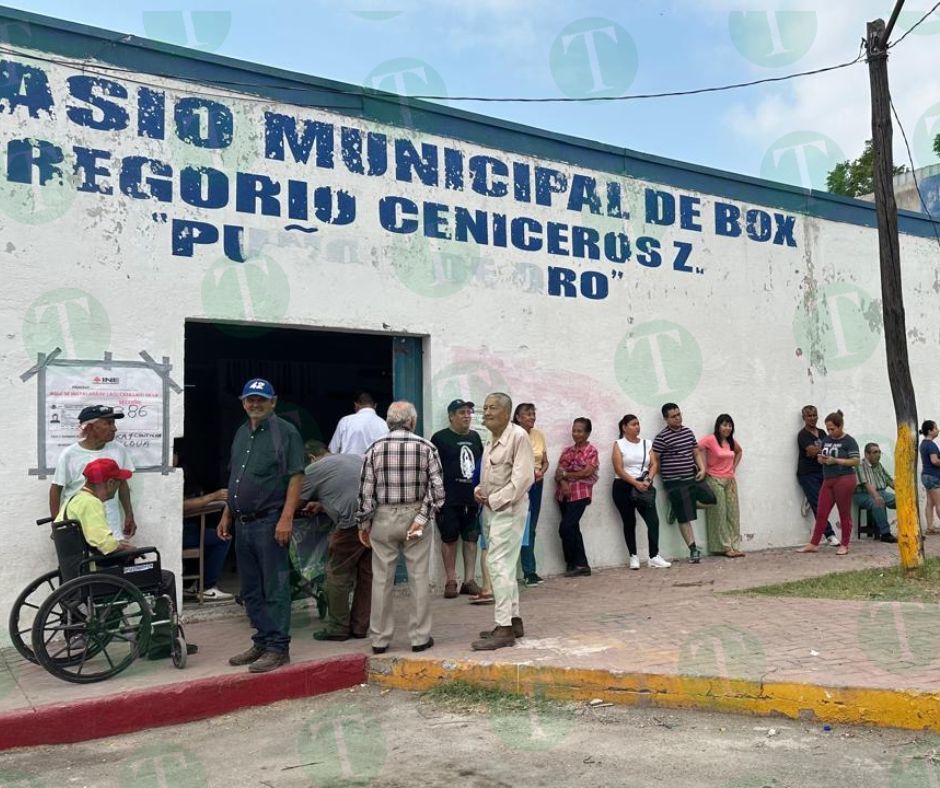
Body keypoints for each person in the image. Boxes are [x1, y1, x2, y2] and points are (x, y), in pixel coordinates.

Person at [55, 458, 190, 657]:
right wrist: (127, 548)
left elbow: (95, 541)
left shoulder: (73, 500)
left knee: (133, 561)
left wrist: (120, 546)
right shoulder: (91, 504)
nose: (118, 487)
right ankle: (161, 640)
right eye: (118, 483)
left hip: (80, 571)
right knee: (165, 577)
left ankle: (140, 635)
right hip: (98, 574)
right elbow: (105, 545)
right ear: (110, 483)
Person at [218, 378, 305, 673]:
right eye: (250, 400)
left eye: (261, 400)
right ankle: (262, 640)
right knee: (251, 588)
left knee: (275, 586)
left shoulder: (286, 432)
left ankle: (279, 648)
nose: (255, 404)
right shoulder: (242, 432)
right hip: (242, 523)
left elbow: (296, 476)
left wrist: (286, 517)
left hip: (269, 521)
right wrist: (227, 514)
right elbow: (235, 479)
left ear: (273, 402)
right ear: (243, 402)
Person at [357, 401, 444, 654]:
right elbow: (437, 492)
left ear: (388, 422)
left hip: (383, 517)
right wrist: (423, 516)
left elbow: (365, 492)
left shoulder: (374, 448)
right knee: (418, 577)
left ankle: (380, 639)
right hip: (415, 513)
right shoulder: (426, 447)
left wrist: (364, 523)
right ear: (412, 422)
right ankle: (419, 637)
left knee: (382, 578)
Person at [471, 393, 534, 651]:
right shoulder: (491, 438)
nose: (486, 412)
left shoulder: (518, 437)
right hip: (492, 510)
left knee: (497, 565)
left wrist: (494, 500)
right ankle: (513, 621)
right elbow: (489, 474)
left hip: (507, 510)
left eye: (492, 408)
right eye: (484, 408)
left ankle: (504, 627)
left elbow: (523, 479)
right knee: (504, 566)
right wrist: (479, 490)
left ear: (507, 413)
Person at [300, 440, 371, 641]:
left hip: (351, 525)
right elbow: (346, 488)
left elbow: (296, 501)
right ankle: (359, 627)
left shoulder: (314, 468)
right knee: (367, 575)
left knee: (337, 573)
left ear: (311, 458)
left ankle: (338, 627)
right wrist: (322, 505)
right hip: (375, 520)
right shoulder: (353, 457)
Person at [50, 405, 136, 542]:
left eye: (113, 423)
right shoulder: (70, 455)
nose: (114, 428)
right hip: (81, 526)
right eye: (108, 423)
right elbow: (56, 489)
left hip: (111, 525)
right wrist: (58, 526)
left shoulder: (118, 450)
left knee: (114, 556)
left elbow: (122, 484)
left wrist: (129, 514)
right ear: (89, 427)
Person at [431, 399, 483, 598]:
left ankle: (469, 580)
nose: (467, 416)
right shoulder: (440, 438)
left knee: (471, 539)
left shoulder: (476, 437)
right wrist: (436, 497)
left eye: (469, 412)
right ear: (451, 416)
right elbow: (432, 469)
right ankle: (451, 580)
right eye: (462, 412)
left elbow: (481, 465)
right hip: (448, 499)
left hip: (472, 499)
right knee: (449, 539)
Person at [650, 402, 715, 563]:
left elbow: (696, 452)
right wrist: (667, 474)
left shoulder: (688, 432)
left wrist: (702, 468)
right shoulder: (661, 438)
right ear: (666, 419)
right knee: (684, 517)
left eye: (679, 414)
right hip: (674, 483)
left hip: (692, 477)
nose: (678, 418)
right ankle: (693, 550)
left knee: (711, 500)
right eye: (674, 416)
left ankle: (675, 506)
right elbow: (654, 461)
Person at [174, 439, 233, 602]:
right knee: (222, 538)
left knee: (205, 534)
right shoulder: (166, 475)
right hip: (177, 533)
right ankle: (206, 587)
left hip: (187, 528)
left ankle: (191, 584)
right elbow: (181, 505)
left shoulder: (181, 472)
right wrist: (213, 496)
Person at [611, 414, 671, 570]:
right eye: (633, 424)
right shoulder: (619, 444)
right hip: (623, 486)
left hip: (644, 485)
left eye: (638, 424)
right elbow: (618, 468)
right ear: (624, 427)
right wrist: (635, 483)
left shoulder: (646, 443)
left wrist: (648, 480)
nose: (637, 427)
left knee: (653, 520)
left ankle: (653, 556)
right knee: (629, 521)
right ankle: (633, 556)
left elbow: (654, 464)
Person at [797, 410, 860, 556]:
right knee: (821, 512)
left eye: (833, 429)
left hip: (844, 479)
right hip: (828, 479)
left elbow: (856, 461)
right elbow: (821, 454)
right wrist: (821, 458)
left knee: (844, 513)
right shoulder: (826, 440)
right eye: (828, 429)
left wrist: (836, 461)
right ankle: (814, 543)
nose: (830, 432)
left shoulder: (849, 441)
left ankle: (844, 544)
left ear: (840, 426)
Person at [554, 418, 599, 577]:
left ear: (587, 433)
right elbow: (558, 472)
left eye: (580, 431)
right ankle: (579, 565)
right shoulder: (568, 451)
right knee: (573, 528)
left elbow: (588, 472)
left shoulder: (591, 451)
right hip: (564, 494)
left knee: (565, 527)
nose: (576, 434)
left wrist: (567, 474)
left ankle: (573, 561)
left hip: (581, 494)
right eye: (574, 430)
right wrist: (565, 482)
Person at [513, 403, 549, 586]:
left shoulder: (539, 435)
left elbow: (545, 461)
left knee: (530, 527)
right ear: (518, 417)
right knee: (517, 527)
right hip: (518, 486)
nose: (532, 417)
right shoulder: (511, 434)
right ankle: (511, 572)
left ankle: (530, 572)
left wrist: (542, 471)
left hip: (536, 485)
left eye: (533, 413)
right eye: (528, 414)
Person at [699, 414, 745, 558]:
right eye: (724, 425)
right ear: (718, 426)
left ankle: (735, 545)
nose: (727, 428)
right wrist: (702, 467)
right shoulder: (711, 439)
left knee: (733, 514)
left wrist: (733, 467)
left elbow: (739, 451)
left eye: (730, 425)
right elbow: (697, 448)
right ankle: (725, 547)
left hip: (730, 480)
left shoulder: (731, 442)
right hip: (714, 479)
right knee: (719, 513)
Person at [796, 405, 839, 546]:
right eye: (809, 416)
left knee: (826, 501)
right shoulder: (802, 435)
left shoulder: (822, 433)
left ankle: (810, 497)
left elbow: (830, 447)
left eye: (814, 415)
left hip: (823, 471)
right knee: (818, 504)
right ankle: (829, 534)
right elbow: (812, 451)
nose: (812, 418)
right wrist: (824, 449)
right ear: (804, 418)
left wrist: (819, 450)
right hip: (808, 473)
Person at [853, 442, 898, 543]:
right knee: (877, 503)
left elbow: (889, 480)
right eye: (875, 452)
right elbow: (866, 484)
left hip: (881, 492)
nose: (878, 455)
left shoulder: (879, 465)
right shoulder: (860, 465)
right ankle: (885, 534)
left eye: (879, 452)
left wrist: (903, 493)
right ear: (867, 454)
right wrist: (877, 496)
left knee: (903, 501)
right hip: (863, 494)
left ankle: (909, 530)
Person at [920, 421, 940, 534]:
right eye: (936, 428)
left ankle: (930, 527)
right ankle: (930, 527)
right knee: (939, 503)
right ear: (930, 431)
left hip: (926, 475)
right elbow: (935, 461)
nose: (937, 430)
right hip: (933, 476)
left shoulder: (923, 444)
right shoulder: (931, 445)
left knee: (930, 502)